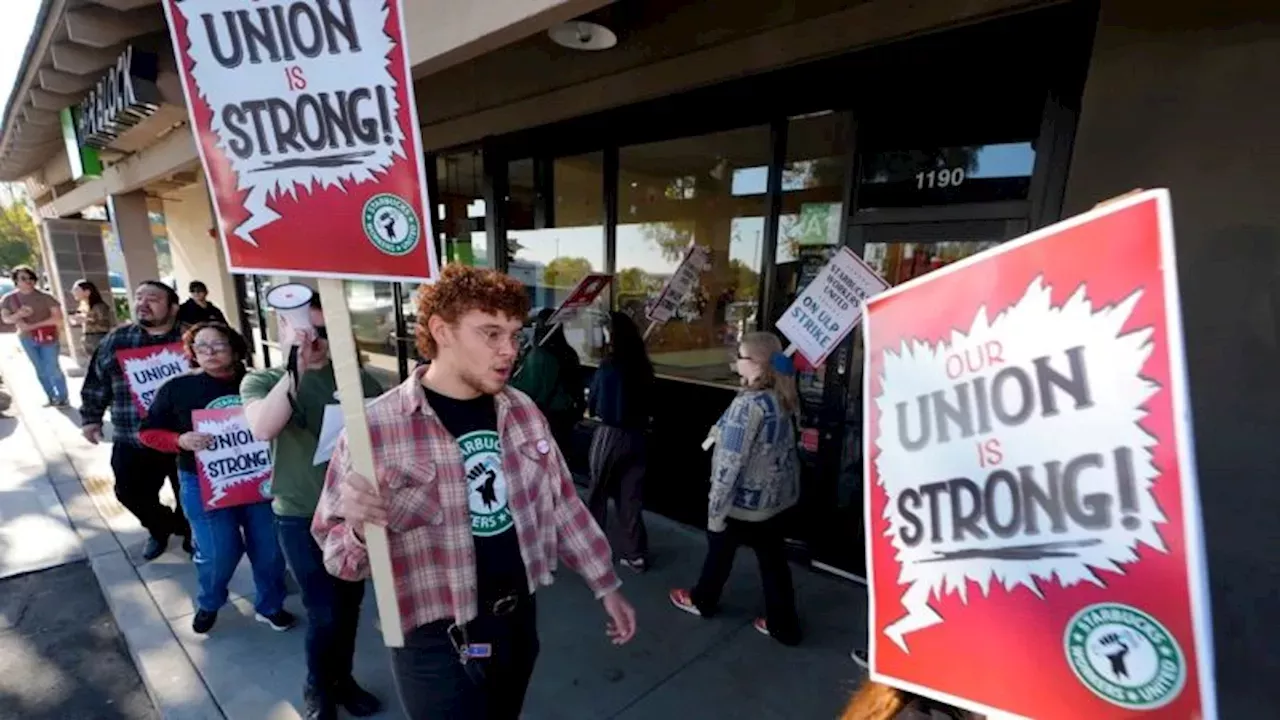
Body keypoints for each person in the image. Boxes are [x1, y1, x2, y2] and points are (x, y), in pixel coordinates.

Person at [313, 265, 637, 720]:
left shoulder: (522, 411)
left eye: (514, 334)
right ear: (441, 331)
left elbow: (562, 503)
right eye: (490, 333)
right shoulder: (375, 432)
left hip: (515, 624)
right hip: (434, 640)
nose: (509, 351)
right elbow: (337, 557)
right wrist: (360, 529)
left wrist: (605, 584)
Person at [241, 295, 383, 720]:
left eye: (323, 331)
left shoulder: (358, 380)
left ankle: (342, 679)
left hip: (350, 515)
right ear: (282, 329)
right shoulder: (264, 381)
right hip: (300, 513)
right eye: (304, 329)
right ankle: (318, 685)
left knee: (350, 604)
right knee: (323, 609)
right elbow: (264, 425)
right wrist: (297, 369)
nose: (313, 339)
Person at [139, 322, 294, 635]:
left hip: (259, 480)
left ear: (235, 348)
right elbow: (147, 433)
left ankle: (271, 605)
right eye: (200, 347)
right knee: (218, 551)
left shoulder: (259, 382)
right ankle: (210, 601)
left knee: (270, 551)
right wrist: (180, 441)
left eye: (218, 345)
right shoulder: (177, 387)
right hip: (204, 483)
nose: (208, 352)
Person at [669, 331, 802, 646]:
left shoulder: (750, 405)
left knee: (721, 549)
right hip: (776, 501)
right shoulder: (784, 396)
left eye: (741, 356)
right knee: (773, 563)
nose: (735, 361)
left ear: (756, 364)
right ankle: (783, 624)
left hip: (745, 504)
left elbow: (729, 462)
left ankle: (703, 600)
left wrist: (715, 510)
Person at [80, 280, 191, 561]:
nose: (143, 303)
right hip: (134, 435)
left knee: (190, 497)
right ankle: (161, 527)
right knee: (129, 492)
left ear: (173, 307)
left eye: (152, 298)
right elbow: (96, 380)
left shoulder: (193, 338)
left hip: (186, 438)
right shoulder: (117, 340)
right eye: (138, 297)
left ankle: (192, 535)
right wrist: (90, 417)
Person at [586, 311, 653, 572]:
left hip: (610, 435)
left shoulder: (608, 366)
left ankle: (591, 551)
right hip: (639, 436)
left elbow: (595, 404)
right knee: (631, 498)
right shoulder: (643, 365)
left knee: (597, 493)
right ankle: (636, 554)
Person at [510, 307, 584, 455]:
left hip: (546, 416)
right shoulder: (569, 353)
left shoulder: (540, 356)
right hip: (566, 416)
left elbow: (527, 390)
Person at [1, 265, 69, 406]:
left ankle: (62, 397)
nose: (28, 281)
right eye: (23, 278)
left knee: (52, 367)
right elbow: (6, 319)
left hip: (48, 337)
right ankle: (51, 397)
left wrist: (32, 326)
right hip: (27, 339)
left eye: (31, 277)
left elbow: (57, 318)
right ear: (16, 281)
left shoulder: (46, 297)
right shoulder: (9, 299)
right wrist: (19, 314)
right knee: (40, 368)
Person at [70, 279, 115, 358]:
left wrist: (86, 319)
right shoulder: (83, 306)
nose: (73, 292)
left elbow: (105, 325)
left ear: (87, 292)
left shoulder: (99, 306)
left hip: (98, 338)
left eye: (76, 289)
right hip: (88, 338)